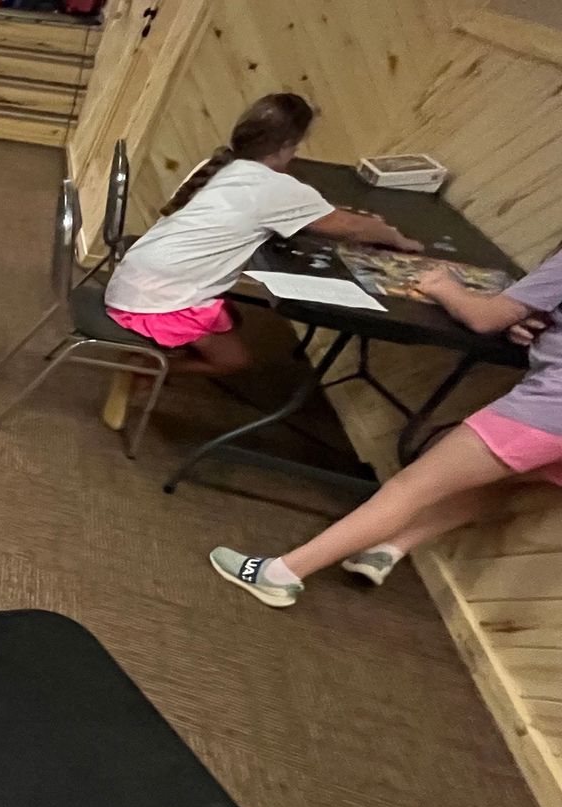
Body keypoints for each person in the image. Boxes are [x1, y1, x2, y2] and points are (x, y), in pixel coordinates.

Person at [209, 246, 562, 608]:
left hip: (549, 410)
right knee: (500, 482)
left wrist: (443, 286)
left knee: (410, 487)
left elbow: (486, 318)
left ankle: (279, 575)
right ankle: (388, 548)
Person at [98, 93, 424, 430]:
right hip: (157, 297)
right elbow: (353, 227)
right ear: (286, 147)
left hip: (135, 273)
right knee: (234, 360)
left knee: (229, 321)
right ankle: (144, 369)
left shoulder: (222, 166)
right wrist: (398, 239)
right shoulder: (276, 188)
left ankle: (156, 359)